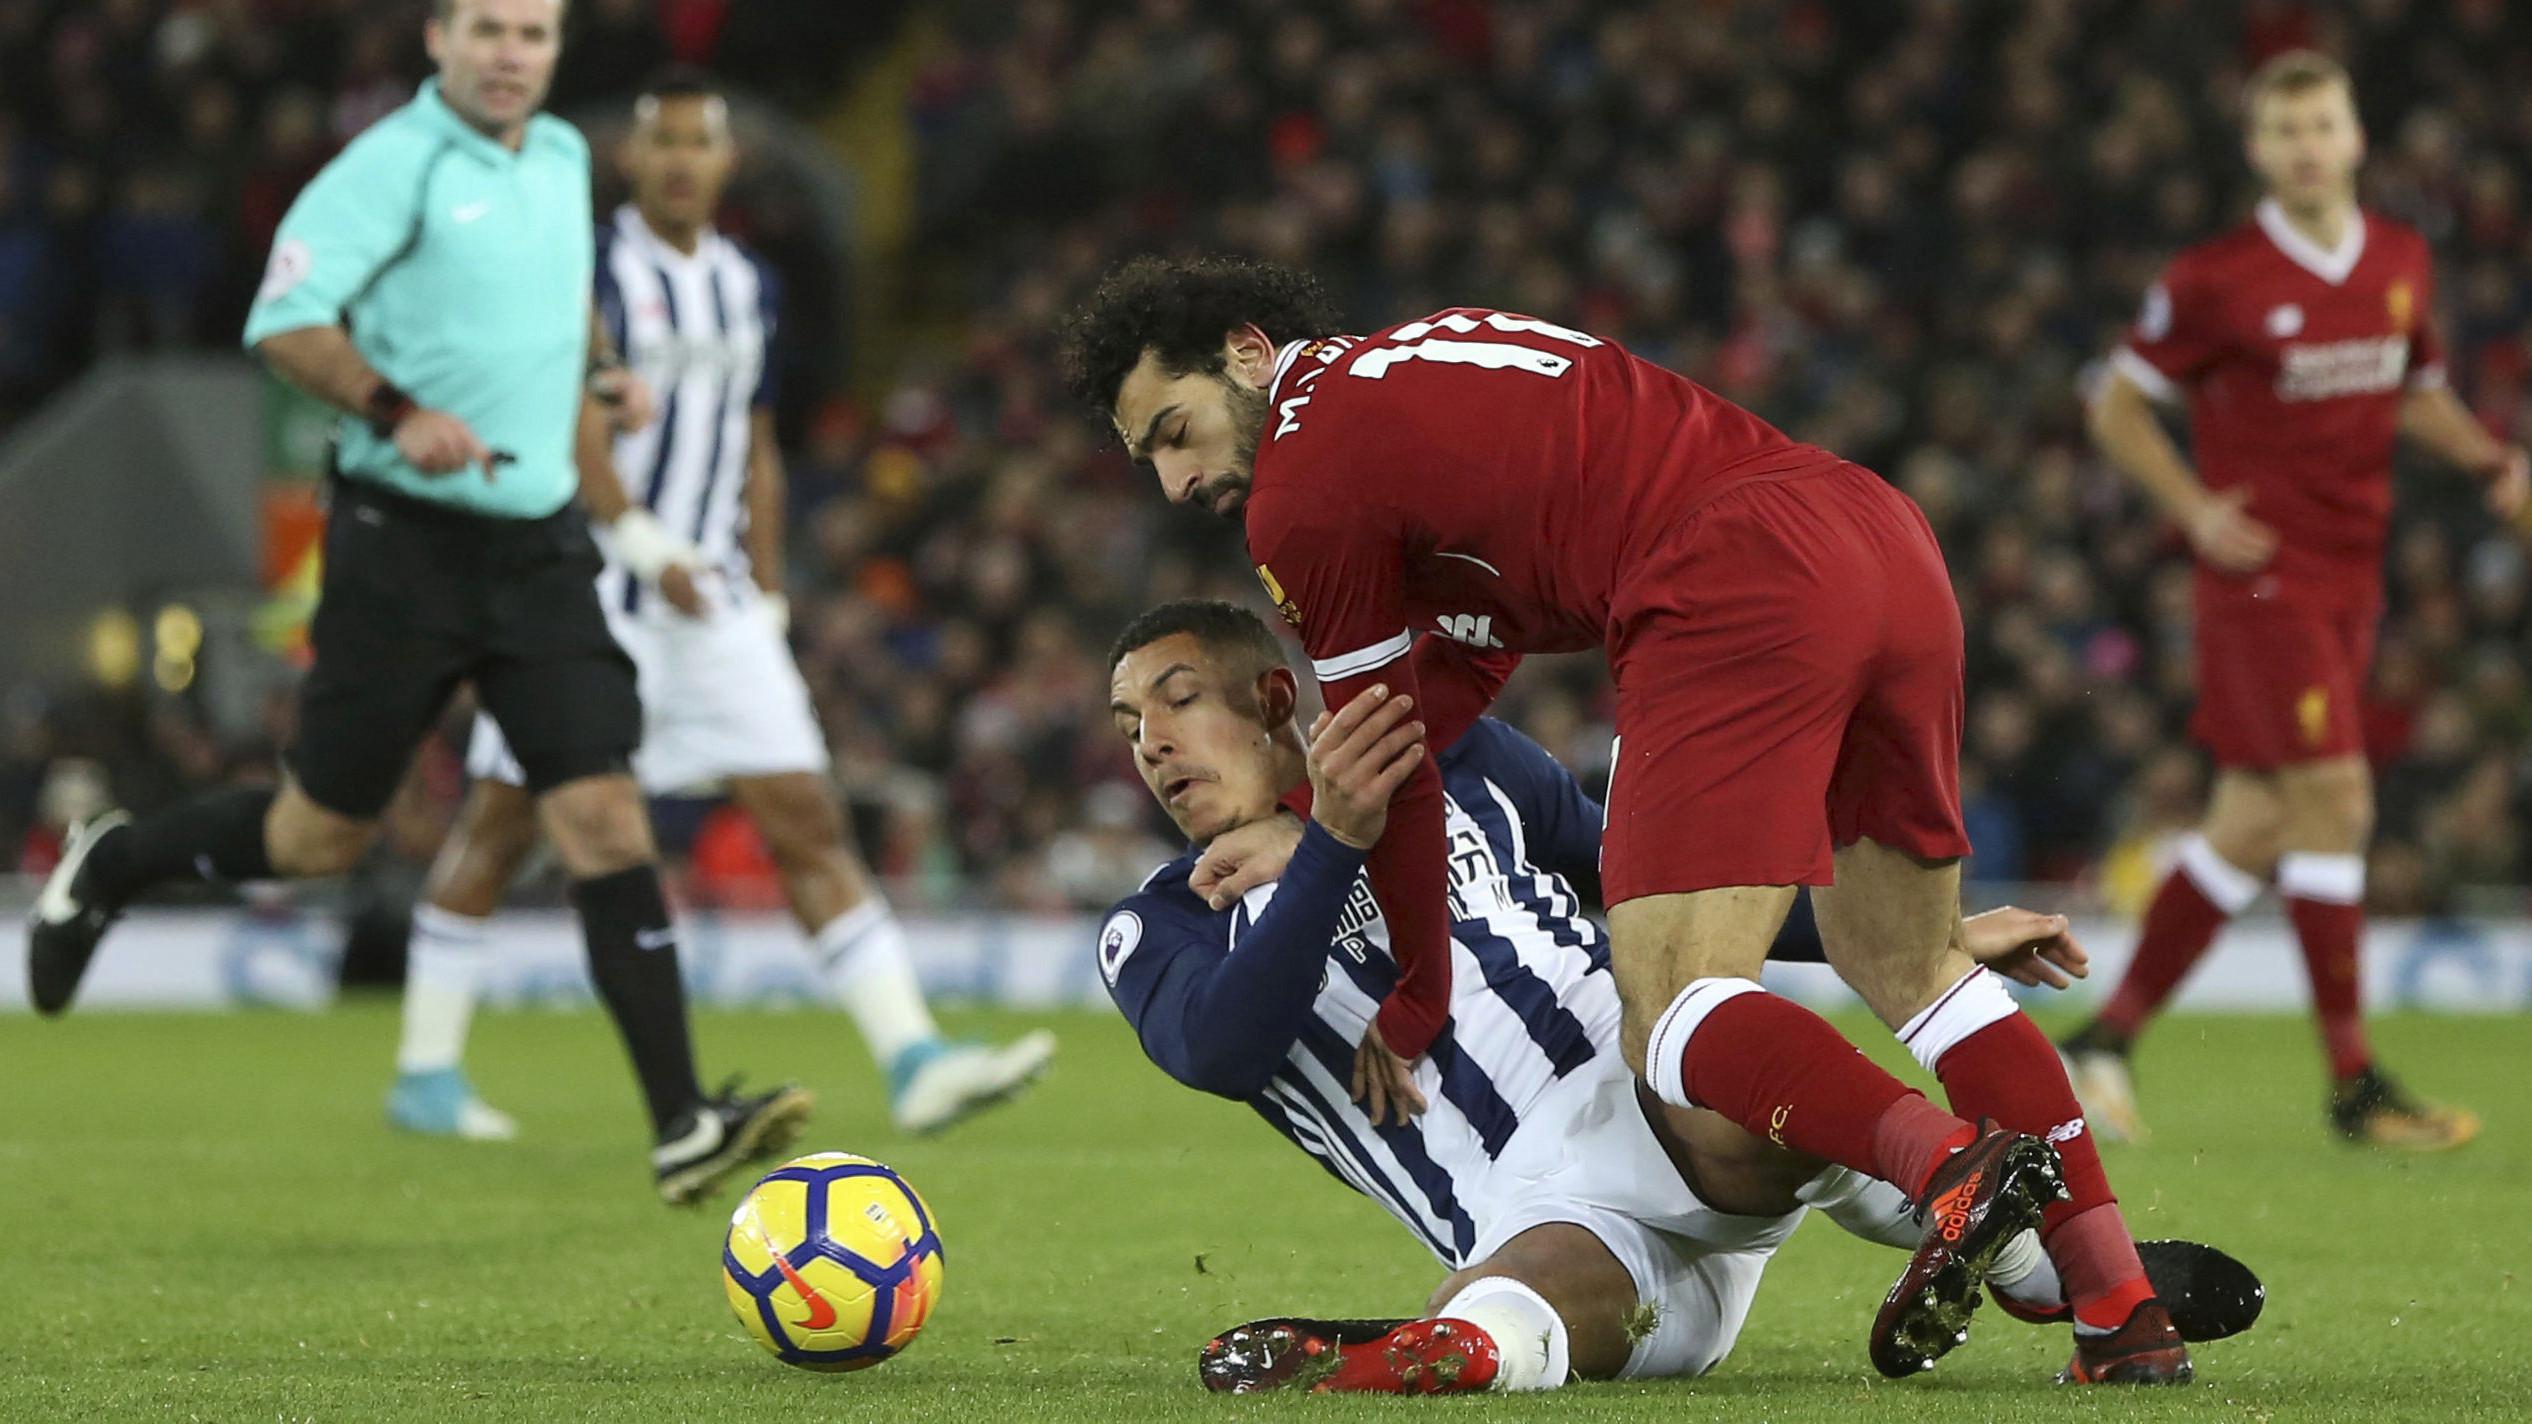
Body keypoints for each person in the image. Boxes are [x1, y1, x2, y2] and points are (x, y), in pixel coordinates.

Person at [1061, 257, 2187, 1383]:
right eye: (1149, 456)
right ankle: (2115, 1307)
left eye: (1176, 429)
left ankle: (1951, 1170)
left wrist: (1417, 995)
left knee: (1678, 1013)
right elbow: (1474, 649)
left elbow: (1389, 762)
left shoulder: (1299, 494)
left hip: (1720, 580)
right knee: (1923, 967)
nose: (1174, 479)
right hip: (1875, 535)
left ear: (1251, 358)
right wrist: (1319, 816)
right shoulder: (1426, 352)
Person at [25, 0, 806, 1205]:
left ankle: (683, 1121)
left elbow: (559, 297)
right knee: (317, 837)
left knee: (603, 813)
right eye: (487, 30)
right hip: (405, 547)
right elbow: (283, 321)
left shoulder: (554, 158)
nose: (510, 54)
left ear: (554, 51)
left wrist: (598, 368)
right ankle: (117, 861)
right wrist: (398, 412)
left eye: (533, 35)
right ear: (438, 39)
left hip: (539, 546)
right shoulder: (386, 167)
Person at [1097, 601, 2260, 1394]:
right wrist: (1329, 853)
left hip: (1645, 1080)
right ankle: (2033, 1253)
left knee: (1703, 1043)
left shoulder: (1465, 766)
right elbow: (1222, 1046)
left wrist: (1935, 930)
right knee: (1504, 1318)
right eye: (1127, 724)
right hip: (1540, 1217)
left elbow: (1659, 890)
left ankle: (1987, 1220)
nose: (1149, 743)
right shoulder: (1158, 923)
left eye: (1176, 700)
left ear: (1267, 695)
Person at [389, 68, 1054, 1143]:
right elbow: (568, 413)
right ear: (635, 159)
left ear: (728, 161)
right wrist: (641, 536)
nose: (685, 161)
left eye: (703, 143)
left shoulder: (748, 280)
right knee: (504, 822)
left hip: (718, 604)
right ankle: (425, 1068)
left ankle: (915, 1055)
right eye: (667, 144)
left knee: (806, 814)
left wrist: (773, 588)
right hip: (590, 592)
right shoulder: (590, 263)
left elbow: (753, 443)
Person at [2058, 51, 2524, 1151]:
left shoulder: (2402, 261)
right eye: (2287, 131)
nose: (2308, 146)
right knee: (2339, 799)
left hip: (2352, 575)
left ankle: (2104, 1040)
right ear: (2260, 151)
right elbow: (2115, 403)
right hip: (2261, 578)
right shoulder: (2218, 277)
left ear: (2356, 139)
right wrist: (2194, 508)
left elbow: (2415, 389)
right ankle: (2354, 1079)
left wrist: (2492, 464)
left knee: (2256, 820)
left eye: (2324, 125)